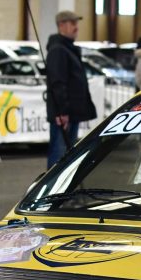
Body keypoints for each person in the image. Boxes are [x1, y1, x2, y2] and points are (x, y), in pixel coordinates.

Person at [45, 10, 97, 167]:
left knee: (66, 154)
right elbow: (58, 83)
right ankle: (53, 190)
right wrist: (62, 111)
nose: (77, 27)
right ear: (62, 25)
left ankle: (61, 189)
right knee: (59, 156)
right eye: (73, 23)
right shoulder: (58, 50)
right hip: (64, 114)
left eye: (77, 23)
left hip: (71, 112)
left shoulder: (67, 49)